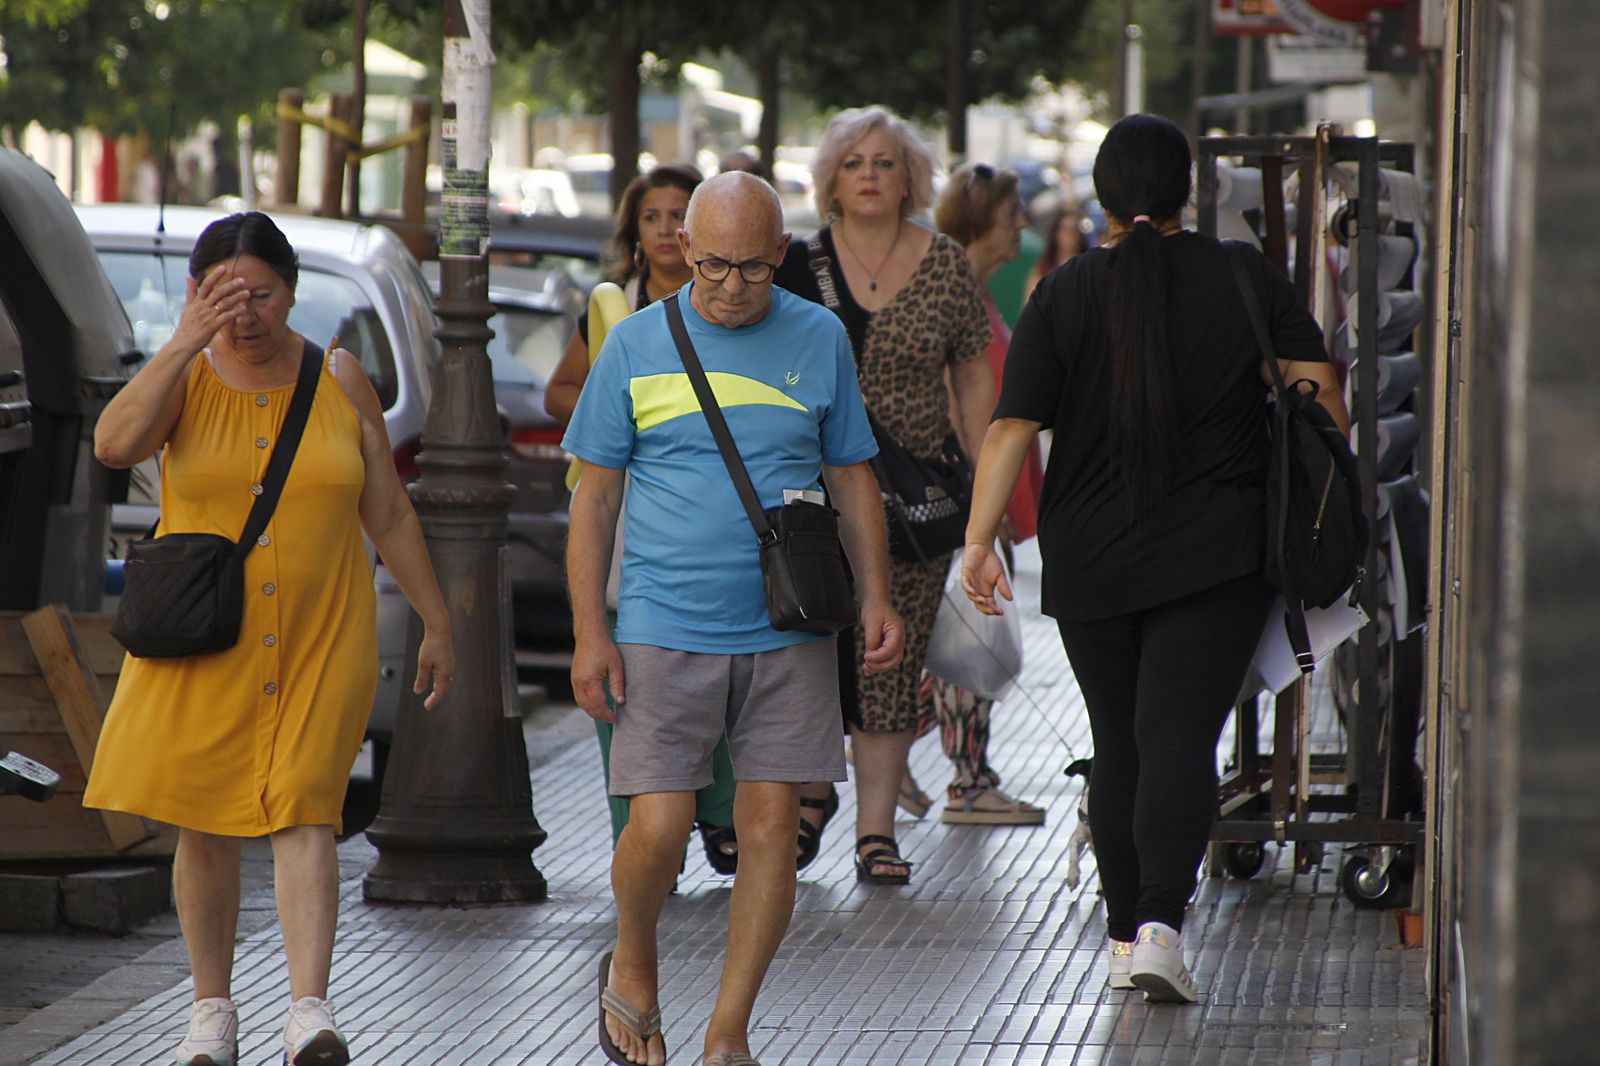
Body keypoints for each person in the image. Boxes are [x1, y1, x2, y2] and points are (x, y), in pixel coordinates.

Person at [960, 114, 1351, 1004]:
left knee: (1119, 742)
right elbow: (1319, 390)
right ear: (1188, 190)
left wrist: (979, 545)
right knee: (1177, 736)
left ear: (1103, 196)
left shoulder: (1062, 293)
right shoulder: (1242, 274)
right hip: (1215, 554)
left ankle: (1119, 937)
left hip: (1089, 557)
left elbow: (1012, 427)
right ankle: (1160, 931)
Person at [84, 212, 453, 1064]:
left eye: (261, 294)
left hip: (323, 635)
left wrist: (438, 620)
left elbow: (389, 510)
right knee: (204, 822)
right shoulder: (183, 376)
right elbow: (113, 445)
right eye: (225, 295)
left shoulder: (339, 377)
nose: (245, 314)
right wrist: (186, 339)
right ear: (195, 292)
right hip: (208, 637)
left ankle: (308, 1011)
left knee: (307, 809)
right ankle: (210, 1012)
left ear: (291, 291)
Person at [564, 171, 903, 1066]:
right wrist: (591, 634)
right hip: (661, 622)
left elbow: (852, 475)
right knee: (658, 826)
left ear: (780, 254)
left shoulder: (819, 337)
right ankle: (633, 957)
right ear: (683, 249)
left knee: (771, 830)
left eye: (752, 267)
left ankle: (728, 1032)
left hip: (789, 624)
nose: (730, 286)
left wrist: (876, 595)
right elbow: (594, 500)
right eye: (711, 264)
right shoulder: (635, 345)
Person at [775, 106, 995, 885]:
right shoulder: (795, 265)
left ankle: (876, 833)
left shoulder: (945, 264)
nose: (869, 175)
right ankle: (808, 793)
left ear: (911, 180)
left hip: (915, 502)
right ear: (831, 183)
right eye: (854, 163)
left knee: (888, 662)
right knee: (803, 651)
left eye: (885, 162)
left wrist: (985, 494)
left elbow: (974, 375)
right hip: (805, 497)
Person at [544, 162, 743, 876]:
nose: (665, 229)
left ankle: (720, 813)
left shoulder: (740, 308)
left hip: (715, 516)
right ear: (635, 231)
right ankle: (644, 840)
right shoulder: (612, 311)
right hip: (628, 506)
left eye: (677, 215)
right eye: (651, 217)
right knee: (629, 667)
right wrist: (619, 418)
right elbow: (560, 392)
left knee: (723, 668)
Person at [919, 161, 1045, 826]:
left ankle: (885, 745)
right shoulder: (954, 293)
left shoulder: (983, 293)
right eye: (1010, 214)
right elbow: (949, 398)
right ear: (980, 222)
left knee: (961, 637)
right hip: (967, 497)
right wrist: (979, 509)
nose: (1021, 225)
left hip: (981, 495)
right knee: (971, 636)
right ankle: (968, 782)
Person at [1024, 200, 1091, 303]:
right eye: (1066, 229)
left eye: (1075, 230)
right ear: (1056, 233)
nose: (1071, 235)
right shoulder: (1043, 272)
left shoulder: (1087, 271)